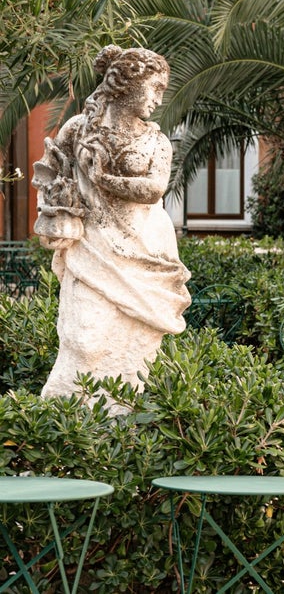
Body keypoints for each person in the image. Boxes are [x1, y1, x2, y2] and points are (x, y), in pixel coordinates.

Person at [32, 45, 191, 399]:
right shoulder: (79, 128)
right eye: (155, 88)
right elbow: (49, 172)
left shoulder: (157, 141)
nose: (158, 100)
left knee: (136, 342)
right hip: (91, 243)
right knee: (83, 337)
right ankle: (68, 416)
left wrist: (105, 181)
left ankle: (124, 418)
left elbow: (154, 189)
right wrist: (57, 206)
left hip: (145, 246)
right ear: (124, 84)